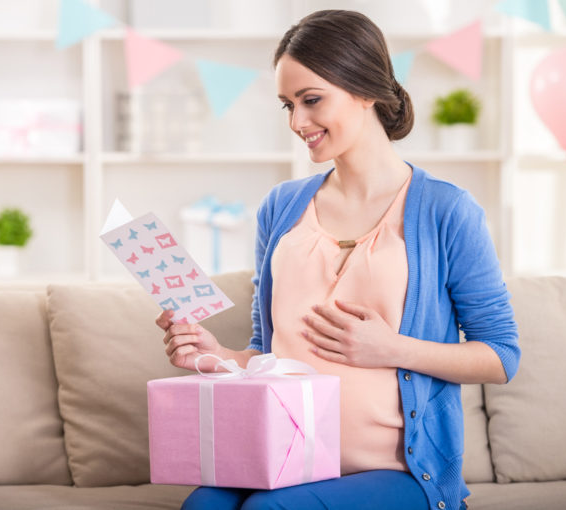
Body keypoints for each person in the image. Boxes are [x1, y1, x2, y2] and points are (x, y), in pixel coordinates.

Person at [155, 9, 520, 510]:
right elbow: (269, 353)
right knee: (203, 505)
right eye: (287, 105)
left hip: (399, 473)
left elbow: (502, 355)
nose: (297, 122)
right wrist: (216, 356)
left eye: (311, 101)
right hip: (283, 458)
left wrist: (391, 348)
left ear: (366, 89)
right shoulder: (281, 208)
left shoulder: (446, 210)